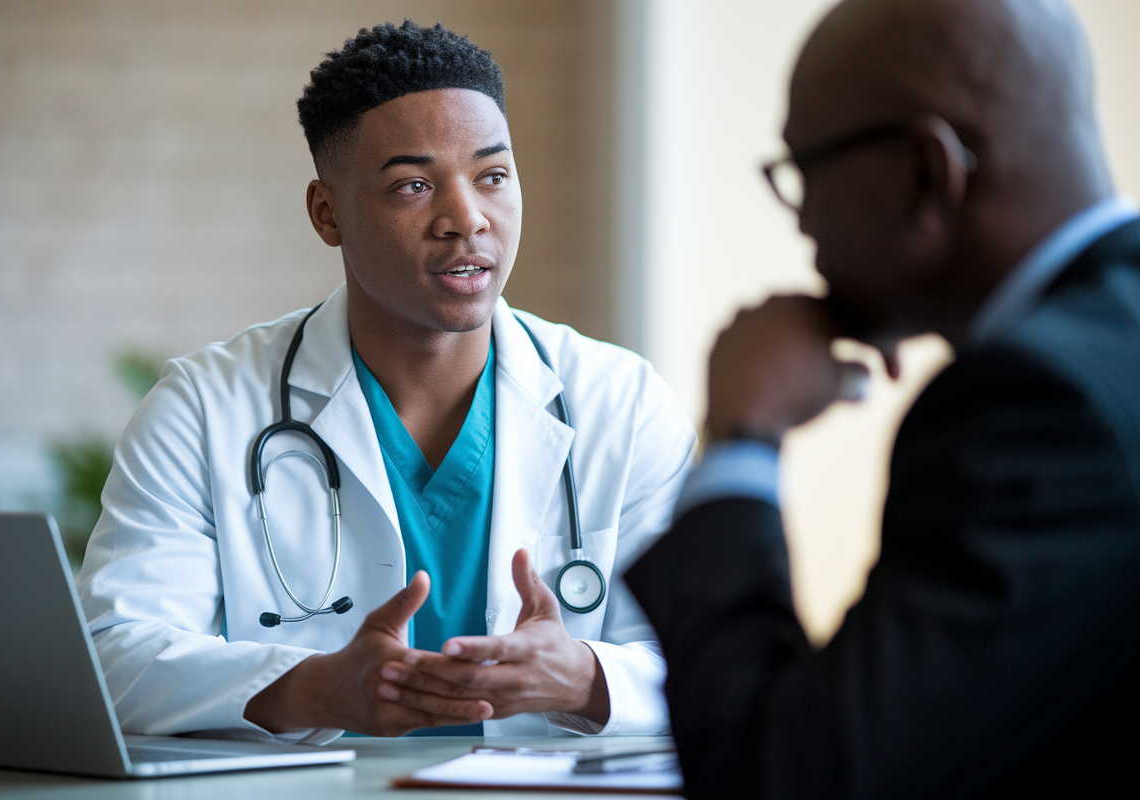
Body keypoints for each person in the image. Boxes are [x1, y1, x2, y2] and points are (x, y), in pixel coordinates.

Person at [78, 21, 693, 743]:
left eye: (492, 176)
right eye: (413, 185)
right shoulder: (203, 409)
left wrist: (582, 678)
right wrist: (319, 690)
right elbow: (114, 657)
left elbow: (708, 663)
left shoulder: (623, 403)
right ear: (326, 212)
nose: (467, 219)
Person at [625, 0, 1140, 796]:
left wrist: (743, 438)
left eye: (805, 172)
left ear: (924, 171)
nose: (801, 220)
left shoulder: (1042, 407)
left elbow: (775, 776)